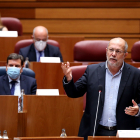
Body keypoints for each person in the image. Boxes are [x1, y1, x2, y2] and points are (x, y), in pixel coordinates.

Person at [61, 37, 140, 140]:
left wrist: (138, 110)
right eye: (111, 50)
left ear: (125, 55)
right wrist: (69, 79)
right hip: (94, 130)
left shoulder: (135, 74)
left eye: (118, 51)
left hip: (121, 132)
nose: (113, 54)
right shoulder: (92, 71)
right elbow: (74, 93)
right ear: (106, 51)